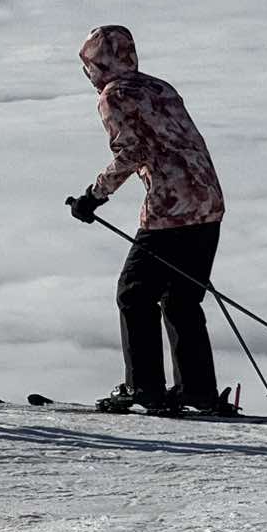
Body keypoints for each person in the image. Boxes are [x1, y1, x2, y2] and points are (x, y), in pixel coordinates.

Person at [66, 25, 231, 415]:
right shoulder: (160, 87)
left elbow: (133, 151)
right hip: (209, 201)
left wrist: (94, 195)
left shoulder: (114, 96)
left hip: (170, 208)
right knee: (182, 299)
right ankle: (196, 391)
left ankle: (144, 389)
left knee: (134, 292)